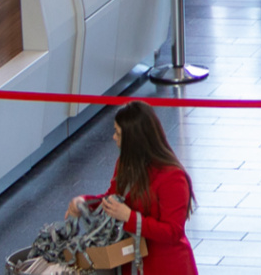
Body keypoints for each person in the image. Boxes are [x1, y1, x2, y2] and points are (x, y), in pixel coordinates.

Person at [69, 101, 197, 275]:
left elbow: (173, 231)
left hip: (166, 266)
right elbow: (112, 198)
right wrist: (84, 202)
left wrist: (130, 218)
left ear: (134, 139)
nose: (114, 137)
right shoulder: (124, 163)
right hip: (133, 263)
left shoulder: (173, 177)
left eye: (118, 133)